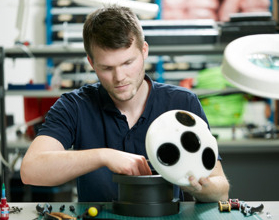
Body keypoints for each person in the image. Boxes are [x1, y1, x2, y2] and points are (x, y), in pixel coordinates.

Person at [20, 5, 229, 203]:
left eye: (128, 63)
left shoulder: (183, 103)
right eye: (107, 67)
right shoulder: (74, 106)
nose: (119, 77)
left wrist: (196, 187)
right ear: (91, 63)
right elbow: (31, 170)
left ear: (144, 51)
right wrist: (103, 156)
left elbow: (221, 189)